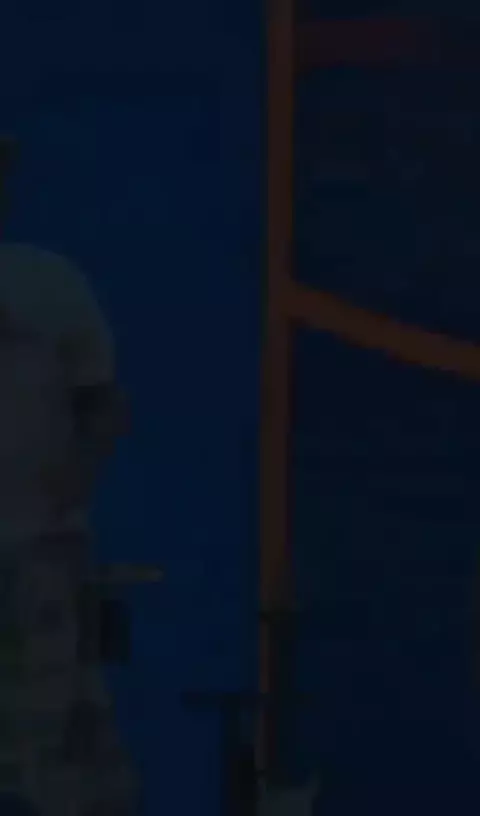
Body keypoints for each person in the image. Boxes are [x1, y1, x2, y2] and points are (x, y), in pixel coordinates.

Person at [0, 138, 140, 815]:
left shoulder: (50, 282)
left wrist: (72, 483)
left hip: (41, 556)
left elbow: (104, 403)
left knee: (59, 744)